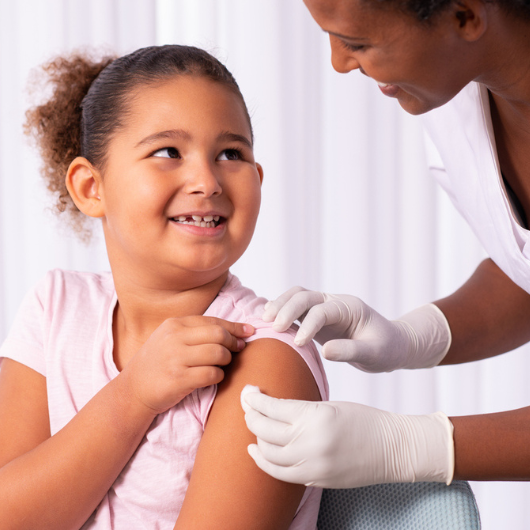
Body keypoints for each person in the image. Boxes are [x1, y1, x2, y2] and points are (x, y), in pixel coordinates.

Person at [0, 45, 328, 529]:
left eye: (230, 154)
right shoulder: (56, 310)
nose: (207, 180)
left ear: (258, 180)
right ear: (92, 188)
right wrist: (133, 395)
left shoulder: (266, 358)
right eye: (168, 152)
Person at [242, 0, 530, 489]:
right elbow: (522, 262)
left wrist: (417, 445)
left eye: (356, 42)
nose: (337, 62)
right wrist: (413, 337)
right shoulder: (453, 92)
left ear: (464, 15)